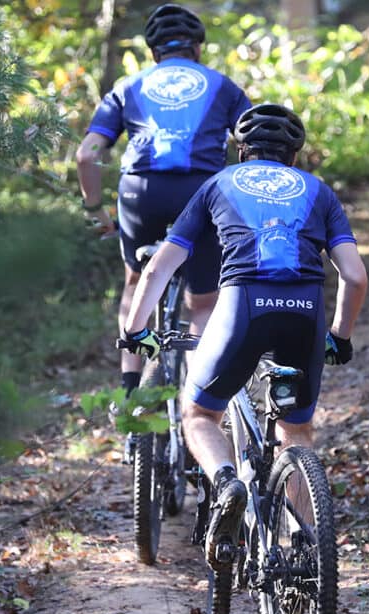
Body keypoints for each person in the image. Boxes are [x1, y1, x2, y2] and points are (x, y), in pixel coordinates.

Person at [118, 104, 368, 570]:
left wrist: (135, 330)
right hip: (307, 310)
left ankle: (226, 480)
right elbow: (354, 277)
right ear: (295, 154)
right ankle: (302, 552)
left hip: (242, 307)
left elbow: (159, 266)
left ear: (240, 149)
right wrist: (341, 337)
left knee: (198, 416)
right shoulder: (320, 192)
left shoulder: (217, 185)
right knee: (296, 431)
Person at [76, 4, 251, 396]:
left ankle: (130, 385)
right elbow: (256, 141)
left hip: (142, 193)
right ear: (198, 49)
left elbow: (87, 155)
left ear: (153, 53)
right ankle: (199, 398)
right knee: (203, 304)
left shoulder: (126, 87)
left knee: (136, 280)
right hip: (204, 193)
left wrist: (94, 209)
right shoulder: (222, 86)